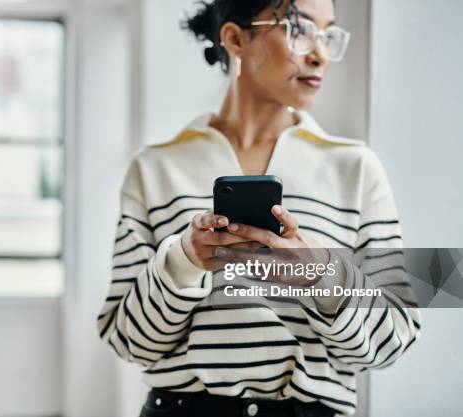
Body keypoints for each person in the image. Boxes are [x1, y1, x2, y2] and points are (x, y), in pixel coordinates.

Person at [97, 0, 421, 416]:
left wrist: (318, 275)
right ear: (235, 38)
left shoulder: (356, 169)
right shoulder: (155, 168)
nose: (320, 54)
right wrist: (183, 261)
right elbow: (128, 341)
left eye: (328, 35)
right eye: (299, 30)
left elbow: (393, 338)